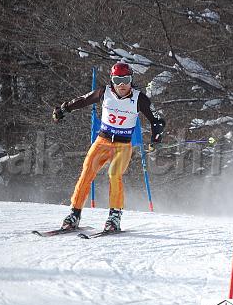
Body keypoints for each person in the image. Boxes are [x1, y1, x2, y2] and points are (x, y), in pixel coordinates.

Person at [52, 62, 165, 232]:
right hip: (102, 142)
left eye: (126, 79)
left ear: (131, 79)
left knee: (114, 174)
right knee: (87, 172)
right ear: (112, 80)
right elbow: (83, 100)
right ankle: (74, 214)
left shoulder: (139, 98)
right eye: (117, 80)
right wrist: (64, 109)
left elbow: (157, 120)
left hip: (123, 145)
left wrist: (156, 137)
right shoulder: (104, 92)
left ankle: (114, 217)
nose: (122, 84)